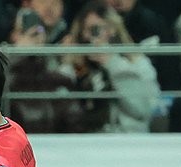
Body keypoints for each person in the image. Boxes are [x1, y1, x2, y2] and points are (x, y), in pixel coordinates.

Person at [58, 1, 160, 133]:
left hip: (129, 140)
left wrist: (112, 63)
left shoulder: (137, 63)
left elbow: (144, 110)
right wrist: (76, 68)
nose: (94, 37)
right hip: (84, 142)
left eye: (99, 29)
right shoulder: (71, 69)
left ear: (113, 29)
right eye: (90, 30)